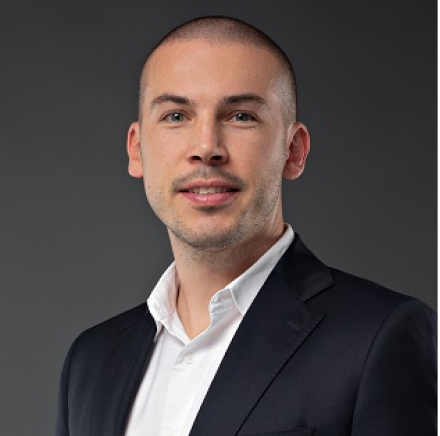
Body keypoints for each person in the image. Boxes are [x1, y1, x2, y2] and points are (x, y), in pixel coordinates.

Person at [55, 16, 436, 436]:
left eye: (240, 116)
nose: (206, 148)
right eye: (176, 115)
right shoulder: (90, 360)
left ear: (294, 150)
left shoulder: (378, 336)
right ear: (136, 148)